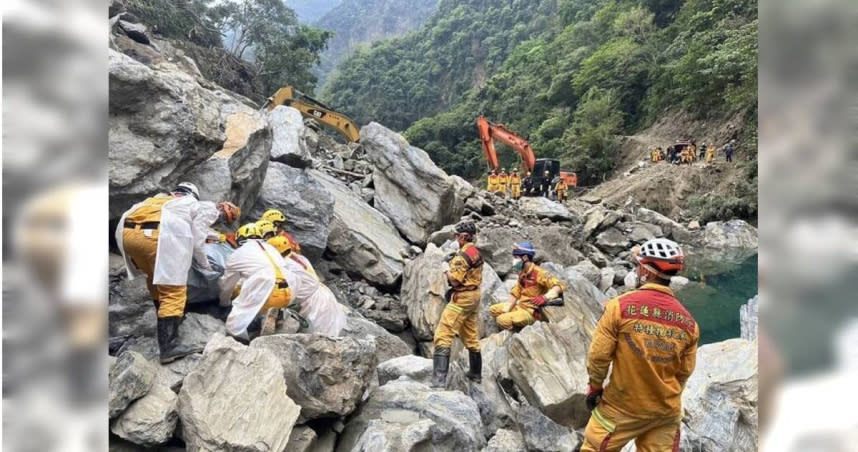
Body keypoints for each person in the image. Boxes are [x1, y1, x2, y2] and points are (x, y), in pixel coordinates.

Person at [579, 238, 699, 452]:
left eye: (638, 266)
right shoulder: (689, 323)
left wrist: (595, 388)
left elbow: (598, 357)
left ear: (648, 272)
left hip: (621, 407)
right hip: (665, 413)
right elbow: (684, 373)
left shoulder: (619, 307)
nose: (636, 271)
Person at [115, 182, 219, 363]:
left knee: (155, 279)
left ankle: (166, 318)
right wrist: (205, 265)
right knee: (174, 290)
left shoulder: (156, 199)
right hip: (158, 236)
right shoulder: (202, 205)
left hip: (128, 236)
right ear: (193, 194)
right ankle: (169, 347)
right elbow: (197, 240)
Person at [220, 223, 295, 340]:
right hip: (289, 288)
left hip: (265, 284)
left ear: (240, 238)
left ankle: (245, 341)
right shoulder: (271, 249)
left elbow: (227, 284)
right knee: (256, 302)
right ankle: (276, 315)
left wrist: (224, 303)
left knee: (234, 326)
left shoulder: (238, 253)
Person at [431, 221, 484, 388]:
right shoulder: (474, 251)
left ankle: (439, 380)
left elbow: (454, 281)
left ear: (463, 237)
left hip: (462, 298)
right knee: (470, 333)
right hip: (474, 296)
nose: (454, 238)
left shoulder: (461, 257)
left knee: (443, 333)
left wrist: (446, 268)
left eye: (456, 236)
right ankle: (476, 373)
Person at [266, 235, 346, 337]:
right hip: (322, 295)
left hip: (311, 302)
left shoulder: (286, 265)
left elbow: (289, 289)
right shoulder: (298, 257)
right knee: (326, 329)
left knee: (315, 331)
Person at [489, 242, 564, 330]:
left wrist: (545, 297)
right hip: (521, 306)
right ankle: (512, 322)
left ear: (525, 257)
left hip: (531, 313)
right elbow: (515, 293)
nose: (514, 260)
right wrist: (507, 308)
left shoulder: (539, 273)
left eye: (516, 257)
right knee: (493, 310)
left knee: (502, 320)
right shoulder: (522, 274)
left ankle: (515, 333)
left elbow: (558, 286)